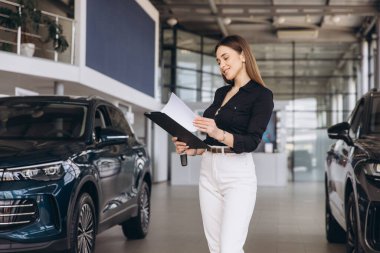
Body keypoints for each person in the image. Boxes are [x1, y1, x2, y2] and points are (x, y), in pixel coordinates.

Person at [172, 34, 274, 253]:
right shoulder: (221, 93)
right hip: (208, 170)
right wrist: (191, 148)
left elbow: (251, 141)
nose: (222, 65)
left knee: (229, 248)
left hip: (237, 174)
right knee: (215, 247)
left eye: (226, 58)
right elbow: (209, 141)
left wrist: (217, 132)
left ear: (243, 55)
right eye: (218, 61)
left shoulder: (262, 95)